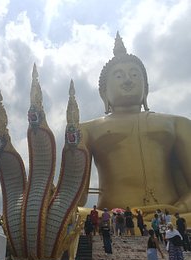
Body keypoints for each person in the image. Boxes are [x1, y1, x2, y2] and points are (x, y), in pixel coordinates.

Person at [79, 32, 191, 223]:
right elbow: (75, 197)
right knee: (74, 215)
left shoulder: (178, 123)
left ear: (146, 89)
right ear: (103, 92)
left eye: (134, 74)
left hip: (174, 215)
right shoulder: (86, 129)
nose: (128, 80)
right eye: (119, 75)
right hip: (113, 217)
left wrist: (182, 208)